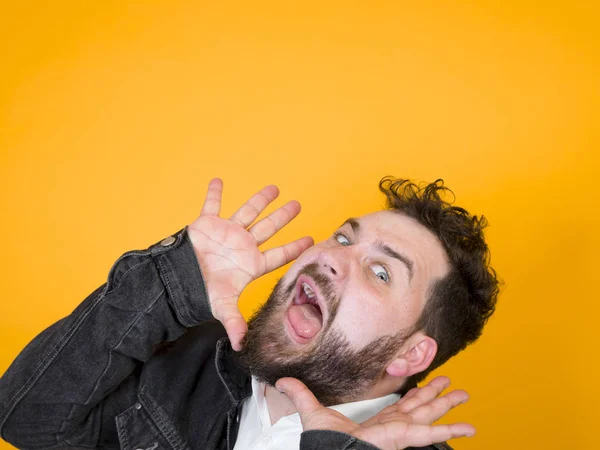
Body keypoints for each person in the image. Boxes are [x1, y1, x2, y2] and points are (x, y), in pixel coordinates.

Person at [0, 177, 499, 450]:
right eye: (344, 238)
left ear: (410, 354)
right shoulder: (192, 357)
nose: (331, 254)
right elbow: (26, 421)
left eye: (382, 272)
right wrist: (171, 284)